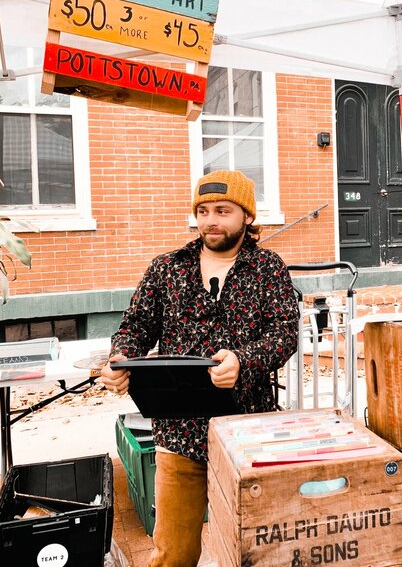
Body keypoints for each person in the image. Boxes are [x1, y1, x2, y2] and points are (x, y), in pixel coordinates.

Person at [99, 169, 300, 567]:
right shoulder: (166, 269)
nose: (211, 220)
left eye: (223, 210)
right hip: (178, 435)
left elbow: (284, 333)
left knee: (254, 550)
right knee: (173, 552)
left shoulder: (269, 269)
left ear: (247, 216)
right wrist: (120, 359)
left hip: (248, 433)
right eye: (203, 210)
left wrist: (244, 361)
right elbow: (136, 326)